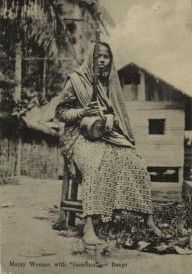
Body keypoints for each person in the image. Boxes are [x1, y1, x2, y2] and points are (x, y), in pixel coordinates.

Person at [55, 42, 161, 245]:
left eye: (106, 57)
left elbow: (116, 113)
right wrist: (81, 113)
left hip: (106, 134)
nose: (102, 60)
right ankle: (89, 226)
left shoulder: (110, 84)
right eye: (98, 57)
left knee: (135, 162)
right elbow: (60, 113)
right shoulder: (77, 81)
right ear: (90, 59)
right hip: (79, 135)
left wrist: (111, 118)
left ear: (111, 60)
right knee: (94, 167)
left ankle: (148, 219)